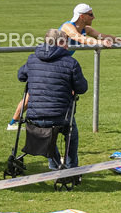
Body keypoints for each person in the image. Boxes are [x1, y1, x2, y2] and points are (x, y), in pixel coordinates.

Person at [7, 2, 121, 130]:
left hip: (62, 63)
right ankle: (13, 122)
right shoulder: (68, 27)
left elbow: (105, 36)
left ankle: (64, 122)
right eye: (91, 14)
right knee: (32, 95)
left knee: (67, 93)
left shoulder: (86, 29)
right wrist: (100, 42)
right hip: (49, 61)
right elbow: (81, 39)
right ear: (82, 16)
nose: (94, 17)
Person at [17, 28, 88, 171]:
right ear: (60, 42)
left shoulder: (32, 59)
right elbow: (82, 88)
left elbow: (21, 76)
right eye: (66, 42)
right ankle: (70, 167)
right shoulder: (70, 62)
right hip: (60, 117)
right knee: (71, 134)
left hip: (34, 116)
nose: (68, 46)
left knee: (48, 133)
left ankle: (54, 164)